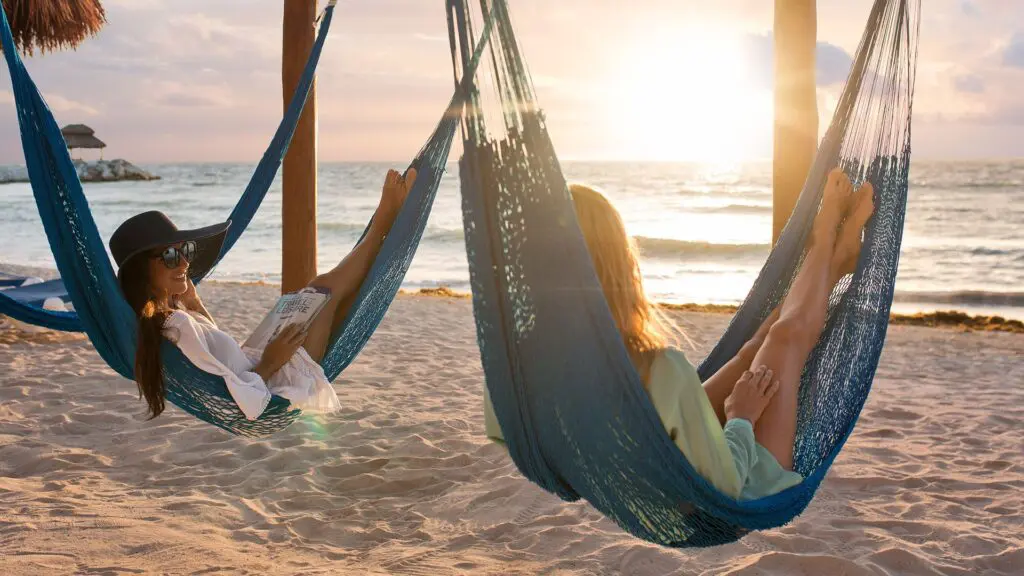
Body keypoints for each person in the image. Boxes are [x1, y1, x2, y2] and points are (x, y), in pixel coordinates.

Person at [484, 168, 874, 500]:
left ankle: (835, 264)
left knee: (751, 349)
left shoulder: (510, 370)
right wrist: (741, 417)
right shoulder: (660, 372)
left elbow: (507, 437)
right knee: (784, 338)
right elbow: (728, 481)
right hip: (737, 487)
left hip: (668, 456)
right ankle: (824, 241)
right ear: (621, 267)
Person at [109, 168, 417, 421]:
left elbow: (218, 366)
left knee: (323, 291)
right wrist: (273, 360)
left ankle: (382, 228)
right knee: (327, 295)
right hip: (279, 376)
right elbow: (242, 399)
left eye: (185, 251)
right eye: (172, 257)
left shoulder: (173, 320)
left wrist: (195, 303)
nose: (186, 263)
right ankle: (384, 224)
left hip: (266, 363)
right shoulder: (175, 325)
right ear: (141, 272)